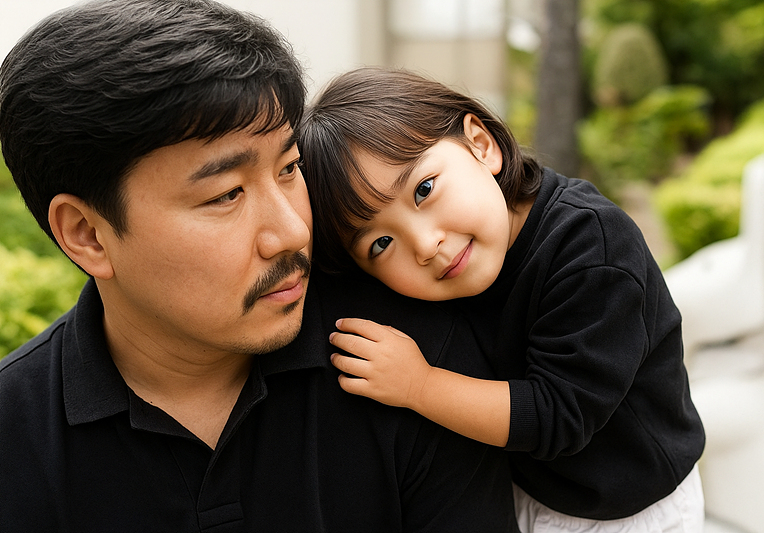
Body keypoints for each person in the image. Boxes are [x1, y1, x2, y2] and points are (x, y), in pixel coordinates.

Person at [0, 3, 521, 531]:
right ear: (87, 234)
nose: (293, 232)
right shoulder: (15, 438)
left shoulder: (415, 361)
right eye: (227, 194)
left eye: (290, 167)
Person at [298, 67, 706, 532]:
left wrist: (419, 386)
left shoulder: (591, 248)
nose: (426, 245)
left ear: (481, 144)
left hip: (630, 505)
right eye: (380, 244)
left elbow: (558, 416)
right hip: (531, 489)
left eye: (424, 190)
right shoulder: (452, 269)